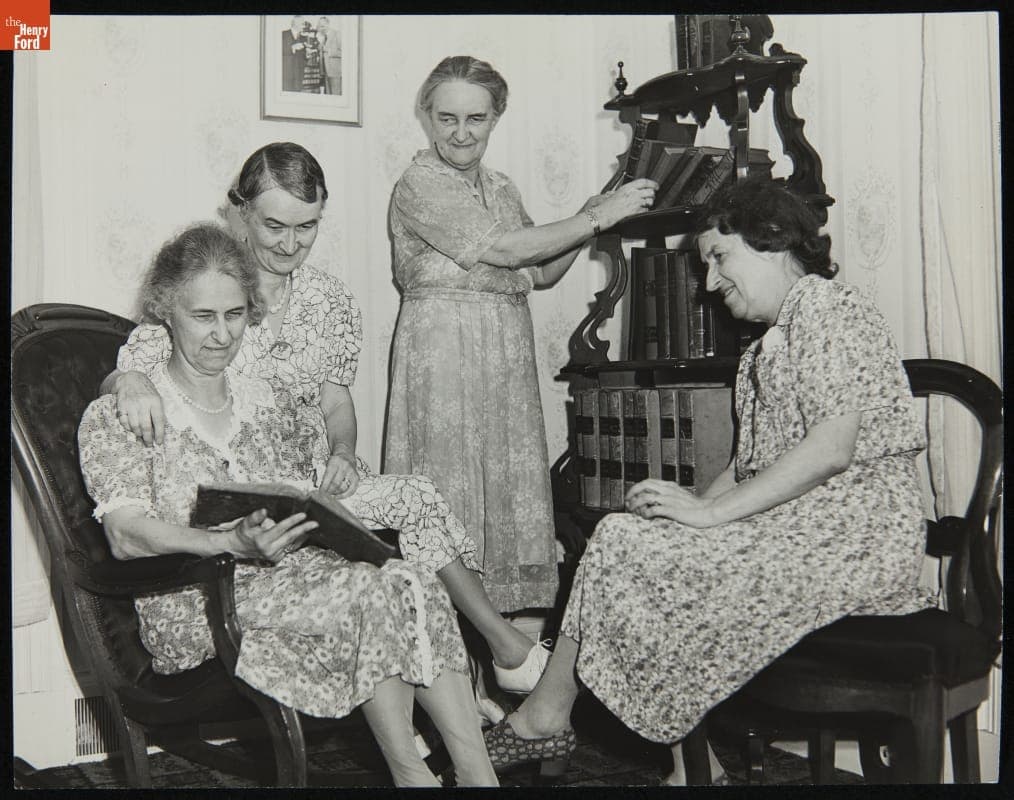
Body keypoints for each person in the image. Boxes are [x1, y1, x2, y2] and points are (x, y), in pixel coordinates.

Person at [478, 178, 932, 782]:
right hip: (800, 531)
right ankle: (676, 759)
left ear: (772, 241)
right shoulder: (765, 347)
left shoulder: (830, 308)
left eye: (720, 257)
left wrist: (710, 516)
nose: (710, 282)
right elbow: (748, 465)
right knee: (628, 536)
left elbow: (831, 450)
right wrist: (688, 507)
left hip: (857, 537)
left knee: (631, 546)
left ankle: (550, 717)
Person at [102, 143, 547, 695]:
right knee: (390, 557)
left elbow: (336, 402)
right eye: (274, 226)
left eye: (306, 227)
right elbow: (127, 377)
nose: (290, 244)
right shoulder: (211, 289)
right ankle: (489, 662)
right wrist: (129, 381)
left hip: (320, 482)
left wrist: (342, 453)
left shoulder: (331, 301)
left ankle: (489, 654)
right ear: (239, 211)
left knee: (416, 498)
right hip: (252, 499)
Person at [78, 223, 497, 787]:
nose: (222, 334)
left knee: (413, 578)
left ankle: (476, 775)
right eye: (203, 316)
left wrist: (327, 515)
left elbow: (307, 501)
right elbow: (125, 535)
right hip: (199, 600)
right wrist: (227, 542)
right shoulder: (125, 413)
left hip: (296, 580)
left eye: (235, 315)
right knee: (372, 590)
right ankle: (411, 775)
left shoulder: (269, 404)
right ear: (165, 312)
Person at [386, 55, 657, 630]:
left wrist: (590, 215)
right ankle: (453, 655)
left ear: (496, 118)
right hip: (444, 355)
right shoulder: (419, 182)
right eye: (447, 118)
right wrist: (595, 219)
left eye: (476, 119)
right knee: (447, 496)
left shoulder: (501, 188)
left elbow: (542, 270)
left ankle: (512, 655)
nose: (461, 133)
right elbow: (507, 251)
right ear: (427, 117)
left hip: (504, 355)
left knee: (507, 499)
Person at [281, 17, 307, 93]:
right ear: (295, 23)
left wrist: (307, 55)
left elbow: (304, 57)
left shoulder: (304, 38)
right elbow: (277, 51)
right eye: (302, 24)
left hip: (299, 74)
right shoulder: (283, 34)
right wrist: (292, 48)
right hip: (286, 73)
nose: (304, 26)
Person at [318, 17, 342, 95]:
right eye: (320, 26)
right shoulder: (324, 38)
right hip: (326, 72)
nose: (322, 28)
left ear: (328, 24)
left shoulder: (337, 34)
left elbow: (344, 52)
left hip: (335, 73)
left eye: (323, 26)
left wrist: (329, 51)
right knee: (329, 96)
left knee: (335, 96)